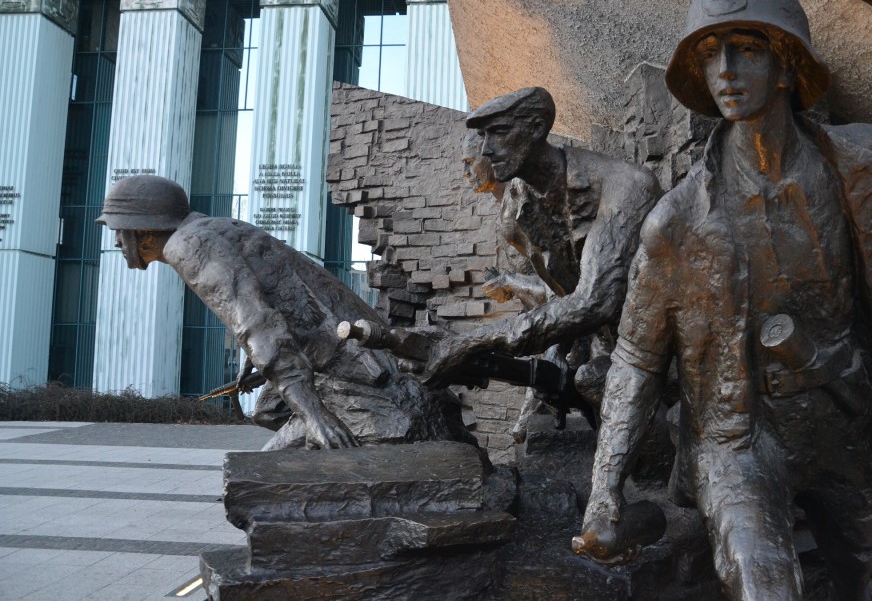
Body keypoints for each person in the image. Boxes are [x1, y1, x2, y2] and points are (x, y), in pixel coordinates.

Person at [575, 0, 872, 600]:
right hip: (738, 437)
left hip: (843, 418)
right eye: (709, 55)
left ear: (787, 67)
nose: (725, 69)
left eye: (748, 49)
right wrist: (604, 491)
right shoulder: (675, 224)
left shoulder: (864, 164)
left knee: (862, 584)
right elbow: (635, 359)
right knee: (763, 583)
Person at [96, 175, 470, 451]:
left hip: (358, 372)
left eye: (118, 229)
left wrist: (315, 417)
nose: (115, 240)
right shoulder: (210, 229)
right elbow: (276, 297)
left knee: (272, 461)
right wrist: (255, 365)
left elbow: (257, 324)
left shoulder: (186, 245)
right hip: (352, 357)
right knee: (268, 414)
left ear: (143, 231)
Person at [421, 88, 663, 414]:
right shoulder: (518, 208)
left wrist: (472, 342)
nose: (486, 150)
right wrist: (549, 353)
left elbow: (593, 301)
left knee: (597, 382)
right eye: (483, 136)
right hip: (613, 351)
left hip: (667, 348)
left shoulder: (626, 185)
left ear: (536, 129)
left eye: (500, 133)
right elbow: (559, 295)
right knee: (589, 382)